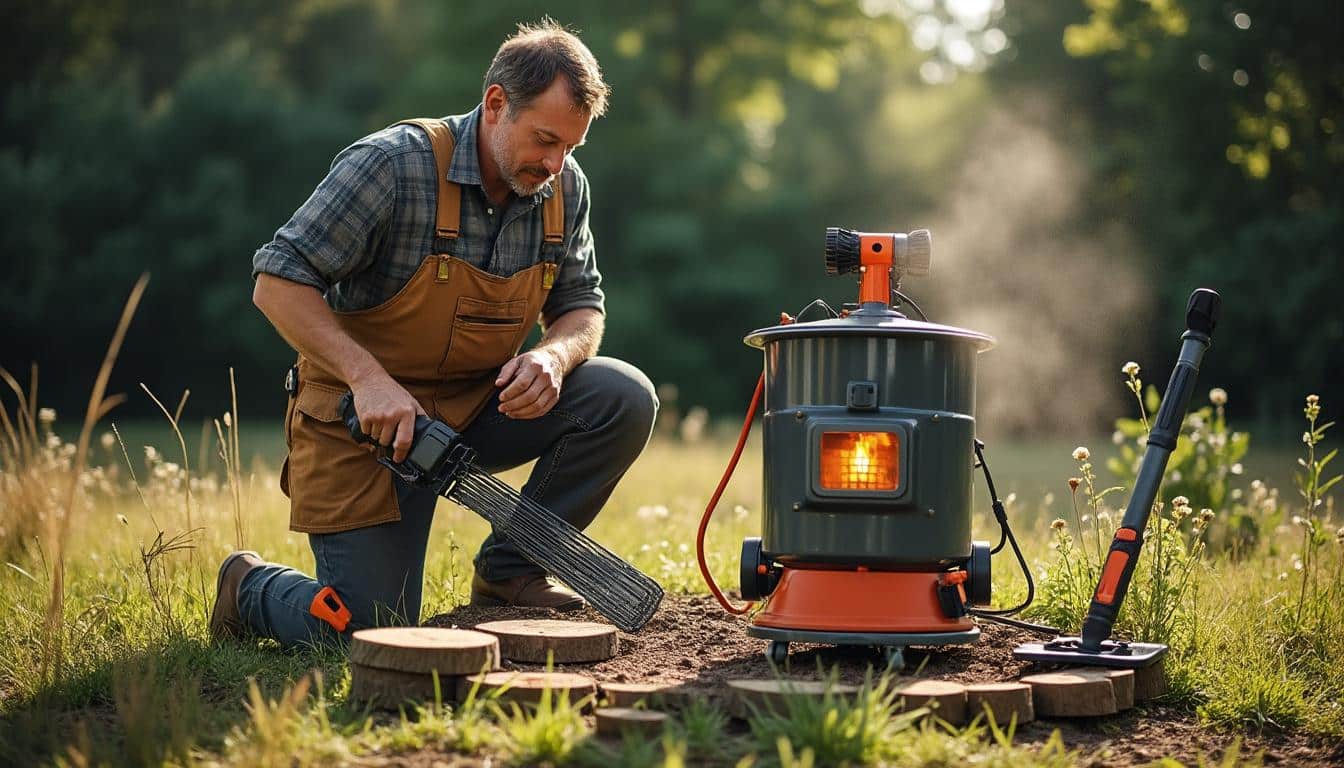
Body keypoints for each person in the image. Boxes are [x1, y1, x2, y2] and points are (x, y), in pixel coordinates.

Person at [209, 20, 657, 648]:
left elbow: (583, 305)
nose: (556, 164)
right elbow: (276, 281)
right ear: (497, 104)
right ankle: (248, 586)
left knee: (623, 395)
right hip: (364, 428)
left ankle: (511, 573)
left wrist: (555, 356)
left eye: (571, 148)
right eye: (545, 140)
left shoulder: (563, 186)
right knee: (371, 632)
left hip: (477, 412)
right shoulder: (391, 165)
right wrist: (367, 379)